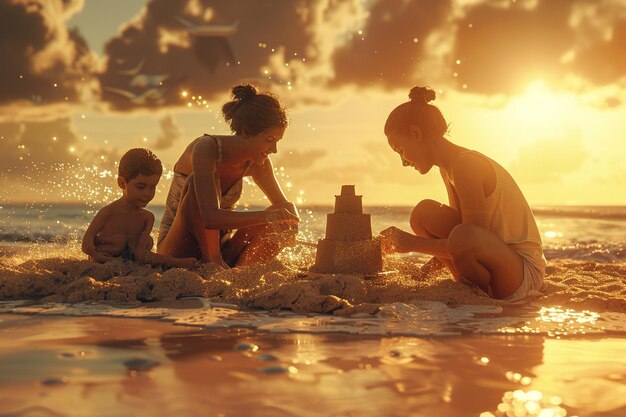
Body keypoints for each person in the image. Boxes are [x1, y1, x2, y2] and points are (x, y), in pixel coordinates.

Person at [379, 86, 546, 300]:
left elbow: (469, 239)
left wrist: (410, 244)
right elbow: (459, 240)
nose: (402, 162)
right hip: (496, 259)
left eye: (400, 150)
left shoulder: (466, 165)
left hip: (522, 273)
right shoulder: (447, 168)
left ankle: (478, 293)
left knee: (463, 233)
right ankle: (468, 287)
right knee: (423, 213)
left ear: (416, 133)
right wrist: (422, 274)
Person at [156, 84, 299, 268]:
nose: (274, 149)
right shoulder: (206, 149)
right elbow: (210, 218)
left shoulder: (258, 163)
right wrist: (267, 216)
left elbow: (283, 207)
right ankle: (214, 265)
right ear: (246, 131)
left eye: (277, 141)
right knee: (196, 182)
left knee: (284, 212)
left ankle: (242, 272)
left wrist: (289, 222)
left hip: (222, 248)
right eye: (269, 140)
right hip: (178, 251)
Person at [82, 148, 199, 268]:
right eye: (141, 187)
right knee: (119, 241)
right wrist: (94, 254)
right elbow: (86, 241)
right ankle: (175, 262)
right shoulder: (109, 212)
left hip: (131, 260)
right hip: (105, 257)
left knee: (147, 242)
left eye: (152, 187)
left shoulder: (147, 217)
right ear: (122, 183)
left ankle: (173, 262)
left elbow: (140, 254)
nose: (147, 193)